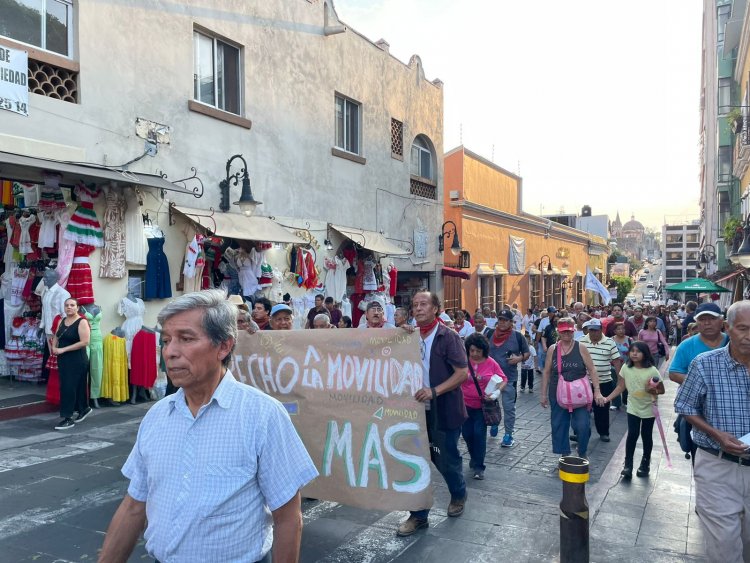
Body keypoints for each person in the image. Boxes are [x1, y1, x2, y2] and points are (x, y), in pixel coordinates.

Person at [98, 290, 318, 562]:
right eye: (166, 341)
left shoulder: (262, 415)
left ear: (224, 346)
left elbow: (288, 519)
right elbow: (134, 506)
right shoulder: (157, 416)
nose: (171, 352)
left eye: (186, 339)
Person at [673, 300, 750, 562]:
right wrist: (718, 434)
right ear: (729, 328)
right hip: (717, 464)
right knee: (724, 547)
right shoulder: (704, 364)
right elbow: (684, 405)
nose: (749, 336)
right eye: (742, 328)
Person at [397, 291, 468, 537]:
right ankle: (418, 515)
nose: (418, 309)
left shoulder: (449, 337)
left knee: (445, 460)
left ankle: (458, 494)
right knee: (416, 462)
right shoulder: (409, 336)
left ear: (436, 308)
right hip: (414, 412)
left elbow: (462, 373)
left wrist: (433, 391)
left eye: (424, 304)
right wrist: (400, 338)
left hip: (444, 411)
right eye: (415, 305)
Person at [541, 318, 604, 459]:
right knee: (559, 424)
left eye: (569, 331)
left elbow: (592, 369)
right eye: (563, 331)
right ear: (558, 331)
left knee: (583, 425)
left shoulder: (580, 347)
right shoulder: (553, 349)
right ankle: (564, 453)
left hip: (579, 392)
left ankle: (582, 451)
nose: (567, 334)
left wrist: (597, 391)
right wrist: (543, 395)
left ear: (573, 331)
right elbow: (546, 372)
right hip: (557, 391)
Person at [604, 341, 664, 478]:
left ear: (645, 353)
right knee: (632, 434)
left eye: (638, 351)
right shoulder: (626, 367)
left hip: (649, 407)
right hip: (633, 406)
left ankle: (645, 463)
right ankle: (628, 464)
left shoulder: (652, 370)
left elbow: (662, 390)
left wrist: (653, 389)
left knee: (646, 436)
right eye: (632, 351)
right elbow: (620, 386)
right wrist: (608, 398)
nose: (635, 354)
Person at [461, 333, 507, 481]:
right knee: (467, 435)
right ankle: (474, 458)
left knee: (479, 435)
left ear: (484, 351)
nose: (474, 354)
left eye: (478, 351)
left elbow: (503, 378)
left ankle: (479, 467)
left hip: (482, 407)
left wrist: (497, 391)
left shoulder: (491, 362)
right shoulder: (463, 361)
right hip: (464, 405)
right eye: (472, 350)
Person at [487, 309, 529, 447]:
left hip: (509, 378)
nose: (502, 322)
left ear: (511, 322)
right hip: (491, 378)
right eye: (501, 319)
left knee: (508, 407)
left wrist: (519, 358)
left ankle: (508, 435)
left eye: (506, 320)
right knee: (490, 404)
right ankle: (494, 423)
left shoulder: (517, 336)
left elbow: (527, 353)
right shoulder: (490, 334)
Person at [579, 318, 622, 442]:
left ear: (601, 330)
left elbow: (616, 361)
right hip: (585, 382)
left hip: (604, 381)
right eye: (591, 330)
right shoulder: (581, 341)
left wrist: (619, 378)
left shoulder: (609, 342)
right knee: (582, 409)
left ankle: (603, 432)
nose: (593, 333)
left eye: (596, 330)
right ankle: (581, 433)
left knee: (602, 409)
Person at [52, 297, 92, 430]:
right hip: (64, 359)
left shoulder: (82, 322)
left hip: (77, 359)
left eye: (72, 305)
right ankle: (84, 408)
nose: (69, 307)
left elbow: (85, 342)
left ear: (77, 308)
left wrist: (63, 349)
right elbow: (57, 335)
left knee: (68, 387)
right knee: (77, 385)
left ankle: (67, 417)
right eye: (67, 305)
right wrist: (54, 346)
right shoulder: (62, 320)